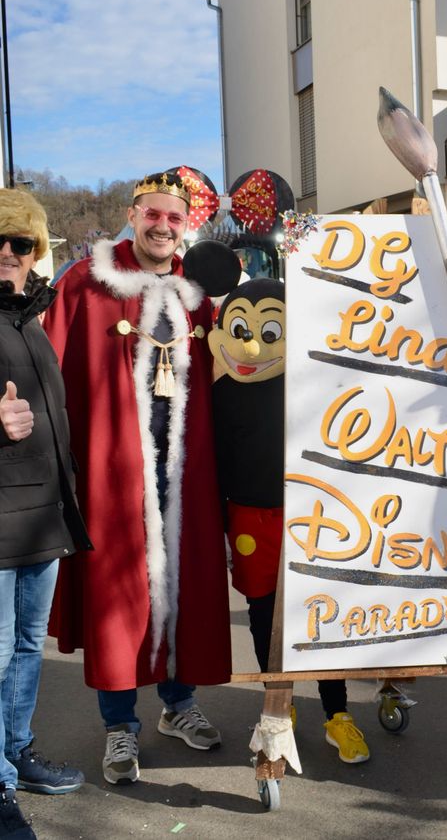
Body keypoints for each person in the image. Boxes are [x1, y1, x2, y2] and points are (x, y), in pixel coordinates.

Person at [42, 173, 232, 786]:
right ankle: (120, 725)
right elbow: (49, 369)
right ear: (133, 214)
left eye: (175, 219)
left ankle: (179, 705)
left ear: (186, 227)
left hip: (184, 467)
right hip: (113, 469)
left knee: (185, 580)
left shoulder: (198, 292)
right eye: (153, 215)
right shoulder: (86, 282)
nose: (162, 227)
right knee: (116, 592)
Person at [209, 277, 370, 764]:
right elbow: (215, 459)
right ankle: (278, 703)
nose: (254, 343)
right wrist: (217, 523)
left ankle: (337, 713)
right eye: (242, 329)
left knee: (323, 608)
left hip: (312, 510)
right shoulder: (223, 392)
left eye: (271, 330)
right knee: (263, 612)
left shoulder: (315, 382)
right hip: (248, 514)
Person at [0, 190, 92, 839]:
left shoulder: (34, 318)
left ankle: (16, 751)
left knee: (27, 646)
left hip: (42, 517)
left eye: (20, 243)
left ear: (37, 252)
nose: (7, 253)